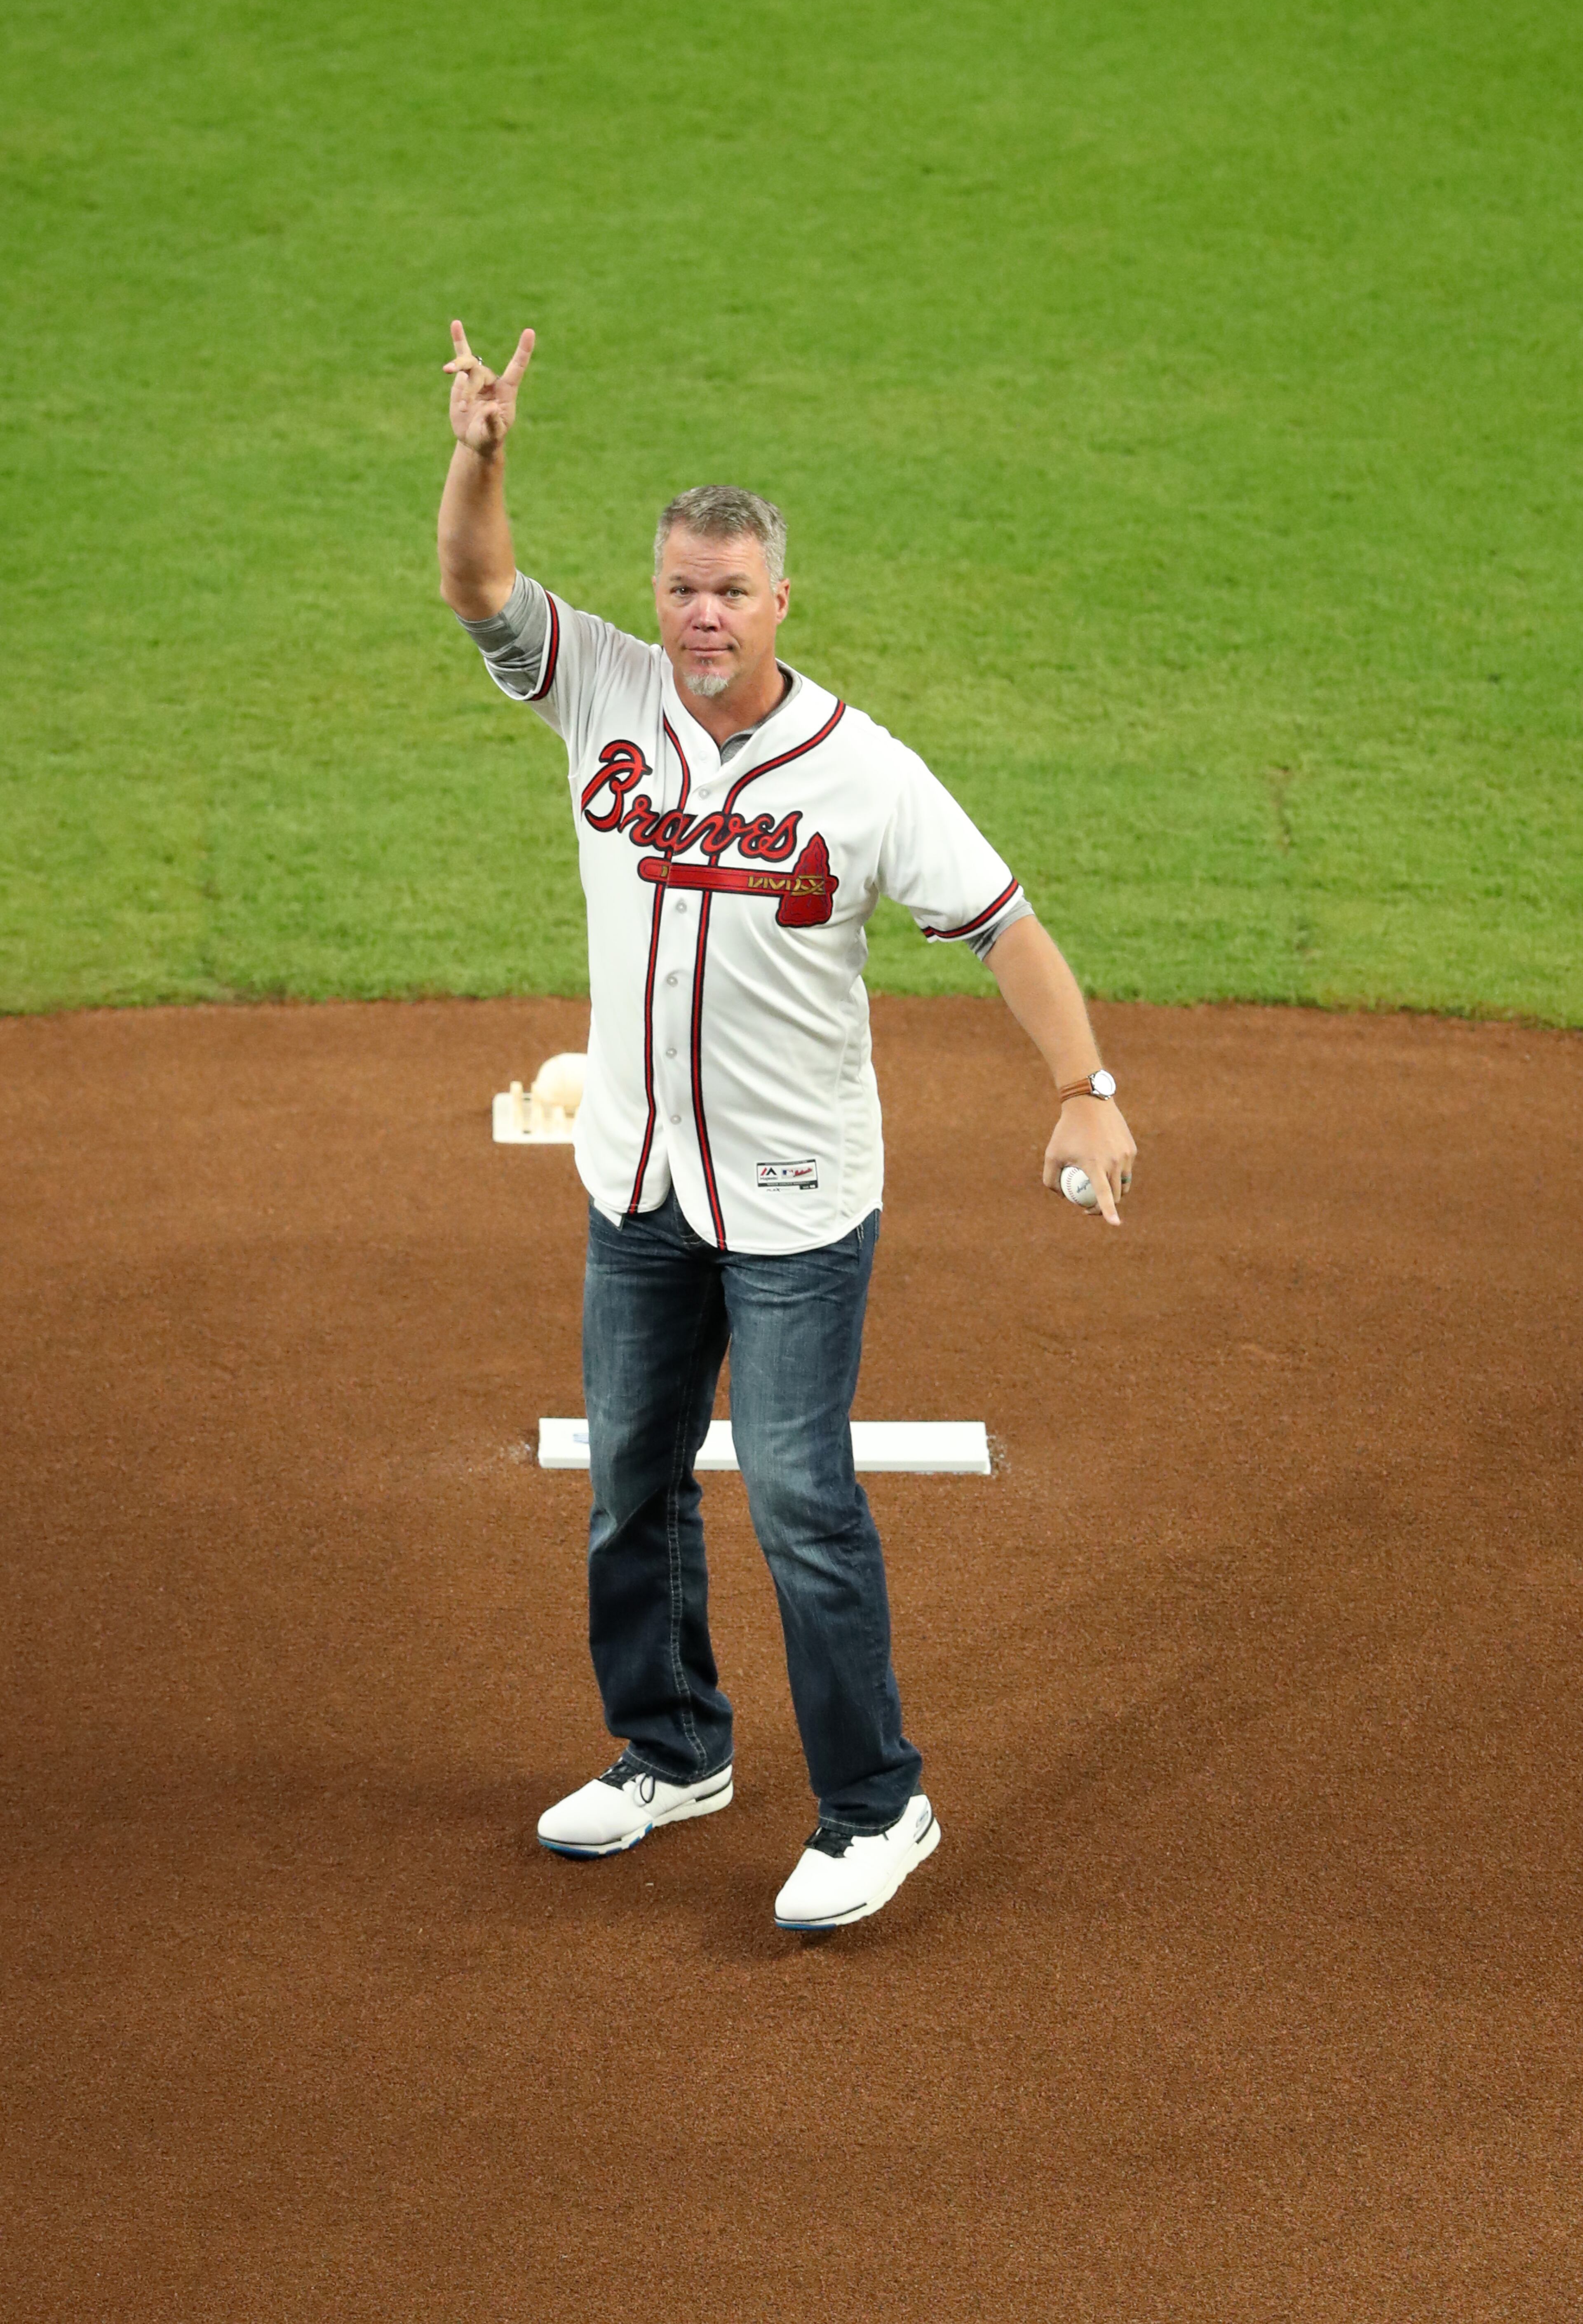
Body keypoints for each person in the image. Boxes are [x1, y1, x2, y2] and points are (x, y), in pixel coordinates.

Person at [437, 319, 1136, 1932]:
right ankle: (673, 1749)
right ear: (657, 593)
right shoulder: (604, 691)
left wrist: (1084, 1092)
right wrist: (482, 456)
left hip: (799, 1202)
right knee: (632, 1480)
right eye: (683, 587)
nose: (702, 614)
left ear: (779, 603)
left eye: (732, 591)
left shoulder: (866, 774)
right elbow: (478, 587)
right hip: (638, 1183)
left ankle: (879, 1806)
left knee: (802, 1498)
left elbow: (1005, 926)